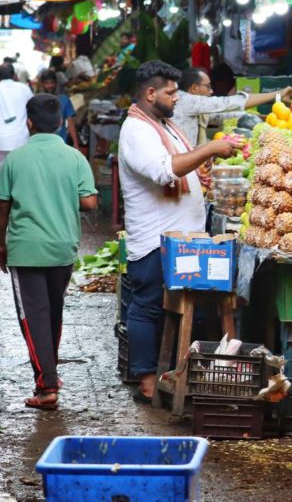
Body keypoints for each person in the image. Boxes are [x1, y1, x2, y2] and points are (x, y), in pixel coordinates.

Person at [118, 61, 241, 403]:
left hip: (182, 241)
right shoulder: (137, 131)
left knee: (184, 309)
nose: (177, 99)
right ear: (150, 93)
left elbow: (185, 163)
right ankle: (146, 381)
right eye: (171, 93)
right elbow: (164, 171)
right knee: (147, 308)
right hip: (154, 241)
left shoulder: (165, 125)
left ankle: (175, 373)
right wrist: (211, 149)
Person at [0, 94, 98, 410]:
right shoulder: (75, 158)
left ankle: (47, 386)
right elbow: (90, 202)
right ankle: (49, 374)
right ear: (58, 124)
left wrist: (1, 245)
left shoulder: (15, 159)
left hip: (25, 250)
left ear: (29, 122)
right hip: (62, 247)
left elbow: (2, 208)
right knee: (52, 313)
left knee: (33, 318)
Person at [170, 67, 292, 146]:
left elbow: (226, 116)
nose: (211, 91)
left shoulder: (199, 108)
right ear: (194, 88)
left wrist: (272, 118)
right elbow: (229, 103)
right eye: (208, 86)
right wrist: (278, 94)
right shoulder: (185, 100)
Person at [0, 63, 34, 189]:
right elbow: (32, 110)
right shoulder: (24, 89)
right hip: (20, 140)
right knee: (19, 174)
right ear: (14, 75)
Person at [39, 71, 80, 150]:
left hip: (61, 143)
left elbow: (70, 122)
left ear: (56, 83)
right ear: (42, 84)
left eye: (52, 83)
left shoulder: (64, 99)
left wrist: (75, 143)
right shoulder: (38, 101)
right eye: (46, 83)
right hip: (43, 144)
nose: (49, 86)